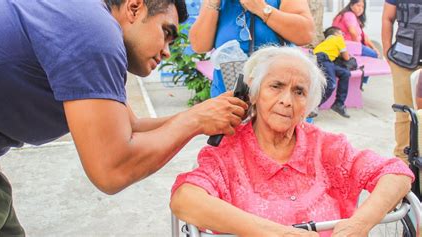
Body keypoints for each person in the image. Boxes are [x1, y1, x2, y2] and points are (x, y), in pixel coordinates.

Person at [0, 0, 248, 235]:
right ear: (134, 6)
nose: (167, 51)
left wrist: (203, 114)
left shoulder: (82, 20)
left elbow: (131, 128)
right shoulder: (92, 31)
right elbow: (111, 170)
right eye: (166, 32)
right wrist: (194, 121)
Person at [170, 46, 413, 236]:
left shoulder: (326, 147)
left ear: (308, 105)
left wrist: (360, 223)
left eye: (299, 92)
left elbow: (396, 173)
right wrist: (277, 233)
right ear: (253, 92)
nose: (287, 100)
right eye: (276, 86)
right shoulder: (229, 152)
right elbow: (185, 198)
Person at [189, 0, 314, 97]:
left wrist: (262, 9)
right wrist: (212, 3)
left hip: (277, 99)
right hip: (229, 98)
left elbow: (305, 34)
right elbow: (199, 45)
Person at [382, 0, 422, 163]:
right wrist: (386, 51)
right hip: (403, 60)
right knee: (404, 112)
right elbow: (387, 18)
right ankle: (403, 160)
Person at [313, 27, 352, 118]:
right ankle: (313, 106)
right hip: (323, 58)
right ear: (336, 33)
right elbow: (346, 57)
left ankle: (339, 104)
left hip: (322, 60)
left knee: (345, 73)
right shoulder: (338, 39)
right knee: (331, 84)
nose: (343, 35)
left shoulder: (325, 43)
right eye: (342, 33)